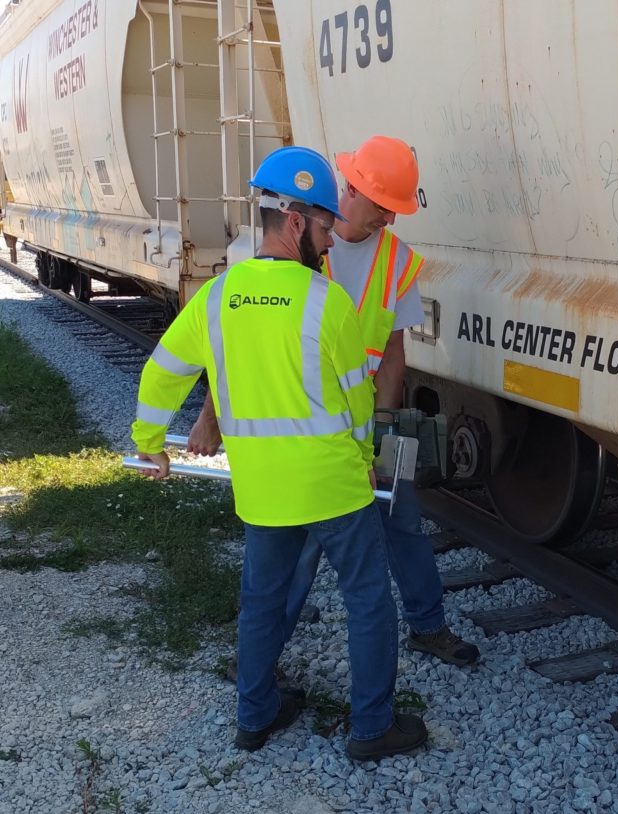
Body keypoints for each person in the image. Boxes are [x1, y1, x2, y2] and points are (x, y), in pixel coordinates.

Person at [131, 145, 427, 762]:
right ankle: (372, 729)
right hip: (334, 488)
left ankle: (254, 716)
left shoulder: (218, 298)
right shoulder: (327, 304)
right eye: (323, 224)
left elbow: (162, 372)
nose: (328, 237)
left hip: (262, 489)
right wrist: (366, 455)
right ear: (295, 221)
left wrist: (150, 445)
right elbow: (354, 404)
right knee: (368, 601)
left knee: (262, 602)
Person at [190, 136, 480, 668]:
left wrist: (384, 432)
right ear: (350, 190)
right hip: (309, 425)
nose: (389, 222)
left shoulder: (397, 261)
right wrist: (210, 416)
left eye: (396, 212)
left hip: (372, 415)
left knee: (403, 519)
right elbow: (234, 345)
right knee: (301, 544)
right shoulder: (293, 247)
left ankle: (428, 625)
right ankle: (262, 651)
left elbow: (393, 355)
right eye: (383, 208)